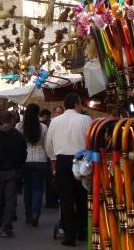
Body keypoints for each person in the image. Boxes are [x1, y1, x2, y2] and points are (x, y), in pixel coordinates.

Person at [46, 93, 92, 247]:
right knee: (82, 196)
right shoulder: (85, 119)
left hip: (62, 161)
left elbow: (49, 144)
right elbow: (91, 141)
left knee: (65, 199)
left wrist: (53, 158)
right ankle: (82, 231)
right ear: (77, 104)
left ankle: (69, 236)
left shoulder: (55, 121)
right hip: (81, 160)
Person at [0, 111, 27, 237]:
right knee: (10, 200)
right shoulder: (18, 136)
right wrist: (19, 166)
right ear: (11, 120)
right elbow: (23, 153)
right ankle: (6, 226)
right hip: (12, 170)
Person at [16, 103, 48, 227]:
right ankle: (36, 213)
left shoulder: (19, 126)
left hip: (25, 160)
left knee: (27, 189)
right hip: (40, 160)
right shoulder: (43, 127)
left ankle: (28, 214)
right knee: (38, 189)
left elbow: (18, 145)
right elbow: (46, 145)